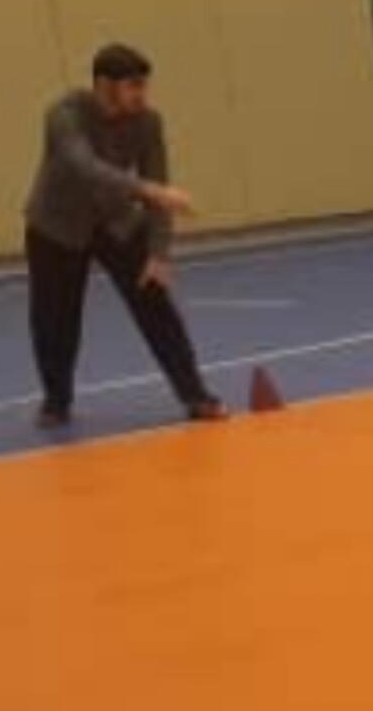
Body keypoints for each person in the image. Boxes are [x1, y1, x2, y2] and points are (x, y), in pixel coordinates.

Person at [24, 42, 223, 431]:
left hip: (116, 222)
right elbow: (84, 166)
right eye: (134, 86)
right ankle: (56, 401)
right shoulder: (64, 115)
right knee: (54, 319)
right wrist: (147, 190)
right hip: (56, 227)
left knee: (155, 305)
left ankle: (196, 395)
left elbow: (158, 184)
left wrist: (159, 252)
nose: (142, 95)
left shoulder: (148, 122)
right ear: (104, 85)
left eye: (144, 86)